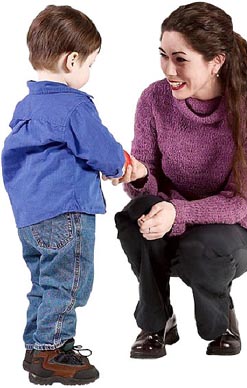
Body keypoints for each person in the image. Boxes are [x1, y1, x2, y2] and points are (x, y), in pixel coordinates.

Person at [114, 1, 247, 358]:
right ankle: (156, 322)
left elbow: (237, 201)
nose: (169, 68)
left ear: (216, 61)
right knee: (134, 219)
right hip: (168, 217)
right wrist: (139, 175)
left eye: (181, 58)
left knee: (201, 248)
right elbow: (147, 188)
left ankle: (221, 320)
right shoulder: (153, 99)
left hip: (230, 227)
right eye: (163, 55)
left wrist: (175, 213)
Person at [1, 5, 127, 385]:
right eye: (90, 63)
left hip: (30, 216)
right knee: (70, 281)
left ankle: (36, 347)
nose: (88, 72)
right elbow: (101, 149)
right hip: (65, 213)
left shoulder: (26, 107)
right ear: (72, 60)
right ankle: (53, 350)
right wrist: (120, 167)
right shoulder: (74, 106)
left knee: (44, 282)